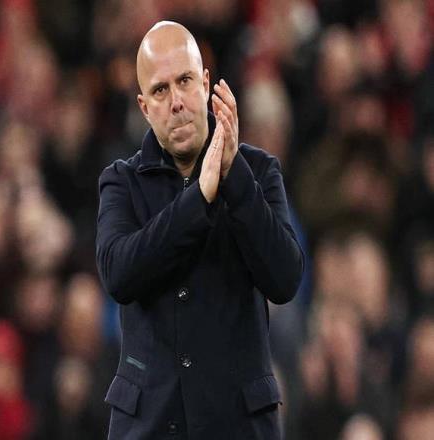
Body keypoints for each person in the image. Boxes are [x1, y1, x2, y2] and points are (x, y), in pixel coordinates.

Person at [96, 20, 304, 439]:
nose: (176, 101)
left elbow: (284, 278)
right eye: (160, 90)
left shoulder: (258, 171)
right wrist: (200, 198)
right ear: (144, 107)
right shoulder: (121, 181)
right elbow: (119, 274)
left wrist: (233, 177)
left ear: (206, 84)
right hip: (152, 425)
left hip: (239, 425)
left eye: (185, 81)